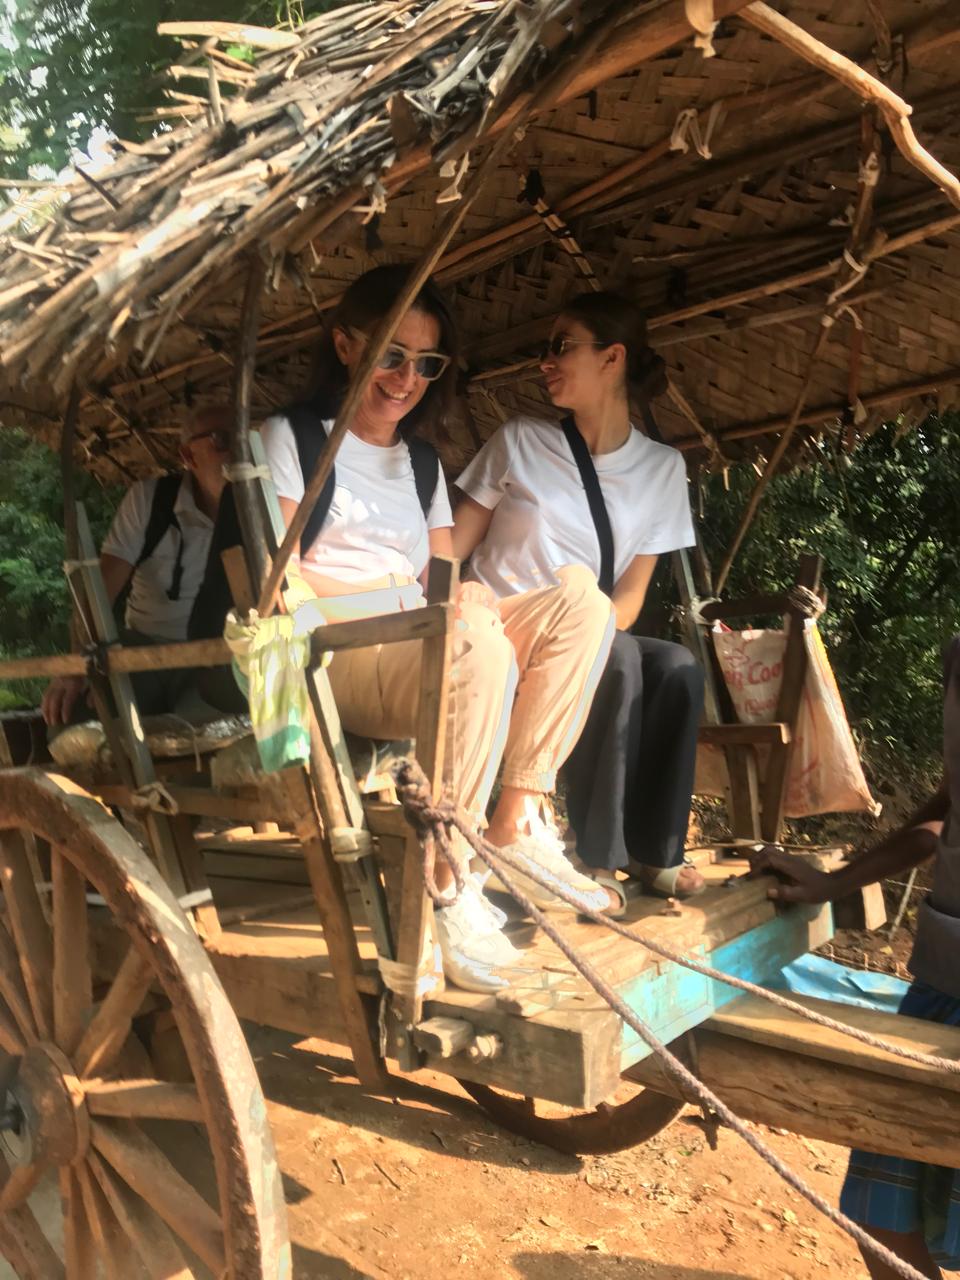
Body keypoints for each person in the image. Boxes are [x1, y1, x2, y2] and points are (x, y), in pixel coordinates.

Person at [258, 264, 617, 993]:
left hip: (423, 638)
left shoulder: (422, 463)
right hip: (339, 651)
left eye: (427, 363)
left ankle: (516, 818)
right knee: (468, 639)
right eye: (393, 355)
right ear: (346, 345)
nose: (407, 378)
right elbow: (279, 582)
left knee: (584, 602)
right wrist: (421, 609)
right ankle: (446, 879)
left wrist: (466, 601)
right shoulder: (291, 438)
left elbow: (444, 576)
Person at [453, 291, 705, 915]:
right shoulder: (520, 441)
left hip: (586, 621)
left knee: (674, 666)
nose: (545, 361)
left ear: (612, 358)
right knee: (616, 657)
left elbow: (631, 597)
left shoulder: (663, 469)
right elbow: (450, 549)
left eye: (561, 346)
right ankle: (599, 854)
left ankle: (657, 850)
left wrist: (589, 628)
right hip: (502, 623)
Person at [749, 634, 960, 1280]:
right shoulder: (955, 656)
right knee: (882, 1211)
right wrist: (832, 881)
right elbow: (949, 808)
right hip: (940, 982)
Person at [41, 408, 230, 725]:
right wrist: (73, 668)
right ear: (188, 456)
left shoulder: (258, 508)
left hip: (212, 658)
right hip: (143, 653)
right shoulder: (150, 501)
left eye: (242, 435)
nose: (237, 450)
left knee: (210, 733)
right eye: (221, 440)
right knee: (74, 714)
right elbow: (98, 591)